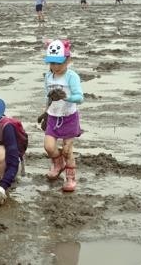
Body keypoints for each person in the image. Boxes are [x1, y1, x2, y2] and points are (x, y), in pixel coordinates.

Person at [40, 39, 84, 192]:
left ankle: (70, 178)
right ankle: (58, 164)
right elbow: (48, 97)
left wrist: (66, 97)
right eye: (52, 63)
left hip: (69, 117)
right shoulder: (48, 77)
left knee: (67, 150)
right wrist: (45, 113)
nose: (55, 67)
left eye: (59, 63)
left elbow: (80, 97)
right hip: (53, 117)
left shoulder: (72, 77)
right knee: (49, 146)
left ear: (68, 60)